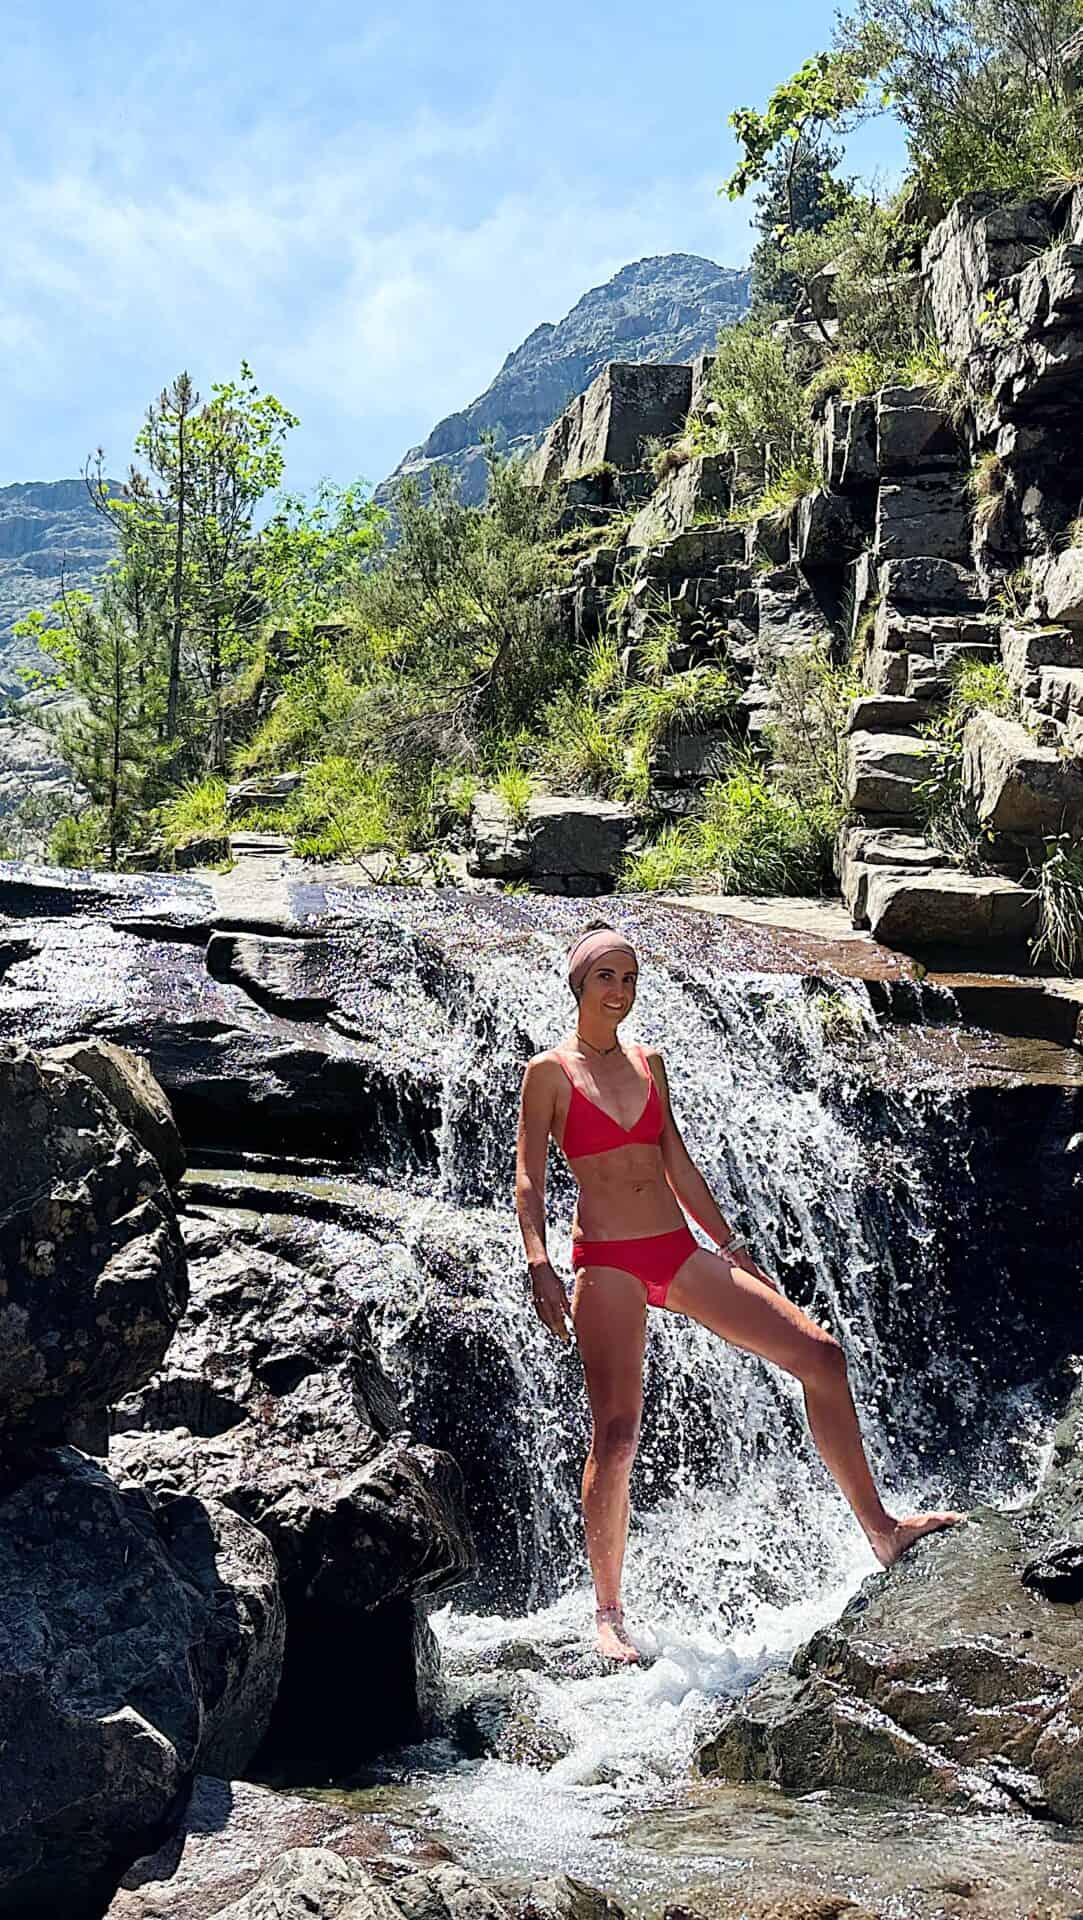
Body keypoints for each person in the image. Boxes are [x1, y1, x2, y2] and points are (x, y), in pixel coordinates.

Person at [515, 923, 964, 1664]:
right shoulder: (549, 1073)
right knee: (618, 1432)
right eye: (606, 977)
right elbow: (528, 1178)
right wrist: (539, 1263)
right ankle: (607, 1612)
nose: (620, 991)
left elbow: (680, 1167)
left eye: (629, 977)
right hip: (607, 1262)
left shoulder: (650, 1062)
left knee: (819, 1356)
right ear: (579, 984)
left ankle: (883, 1530)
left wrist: (729, 1247)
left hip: (677, 1251)